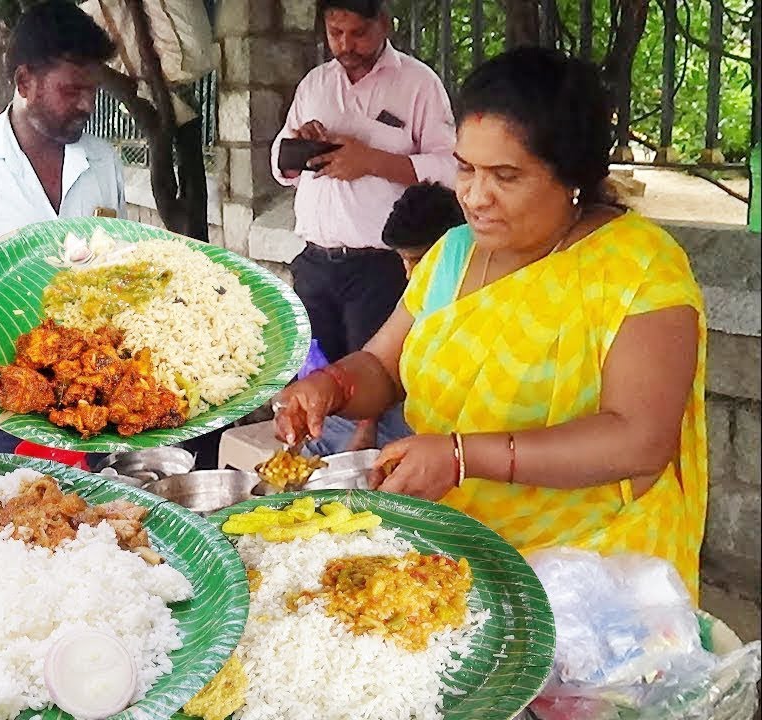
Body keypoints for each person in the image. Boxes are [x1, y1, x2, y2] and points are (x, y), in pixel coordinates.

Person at [273, 48, 708, 601]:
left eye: (506, 176)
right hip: (453, 554)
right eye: (465, 168)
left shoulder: (638, 266)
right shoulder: (454, 252)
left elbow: (639, 438)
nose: (475, 198)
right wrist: (330, 387)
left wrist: (461, 456)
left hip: (589, 574)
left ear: (570, 174)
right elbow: (383, 364)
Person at [0, 0, 126, 456]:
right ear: (24, 82)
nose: (87, 105)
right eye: (71, 91)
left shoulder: (102, 161)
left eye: (92, 91)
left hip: (88, 407)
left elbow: (119, 281)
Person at [271, 0, 456, 372]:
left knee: (370, 385)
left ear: (383, 24)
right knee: (310, 379)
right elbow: (279, 161)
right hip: (314, 265)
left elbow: (451, 169)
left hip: (381, 270)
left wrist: (371, 161)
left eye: (358, 33)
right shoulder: (315, 83)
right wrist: (300, 144)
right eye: (335, 33)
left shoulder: (419, 84)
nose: (345, 45)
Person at [306, 182, 464, 455]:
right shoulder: (406, 287)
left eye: (418, 260)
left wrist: (365, 433)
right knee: (317, 442)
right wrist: (325, 385)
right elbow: (379, 365)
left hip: (438, 424)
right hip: (392, 405)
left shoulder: (477, 292)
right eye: (402, 260)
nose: (409, 273)